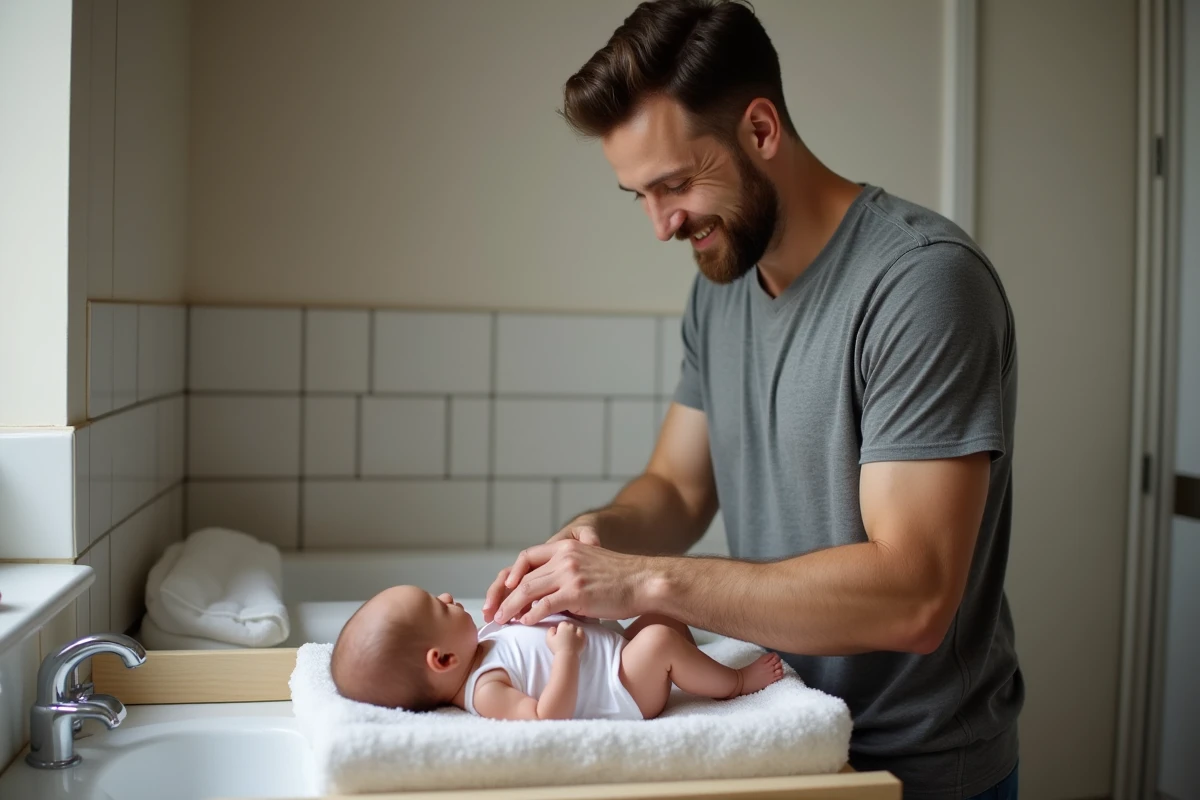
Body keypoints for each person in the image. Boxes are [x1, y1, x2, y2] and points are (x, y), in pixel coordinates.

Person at [483, 1, 1023, 797]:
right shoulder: (721, 287)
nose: (661, 225)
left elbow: (913, 596)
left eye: (675, 184)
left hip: (917, 770)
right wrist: (589, 543)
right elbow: (677, 488)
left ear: (761, 130)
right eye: (638, 194)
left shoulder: (922, 284)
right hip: (780, 732)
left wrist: (641, 581)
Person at [330, 586, 784, 720]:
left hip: (616, 654)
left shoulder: (480, 643)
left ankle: (690, 666)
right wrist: (566, 654)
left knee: (660, 616)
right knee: (660, 643)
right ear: (442, 660)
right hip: (621, 689)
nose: (448, 597)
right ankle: (736, 683)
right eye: (438, 606)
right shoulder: (485, 690)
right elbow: (546, 717)